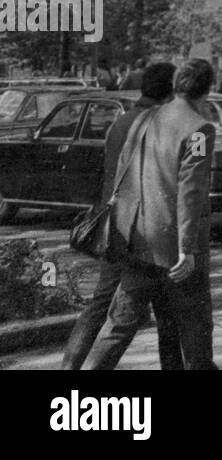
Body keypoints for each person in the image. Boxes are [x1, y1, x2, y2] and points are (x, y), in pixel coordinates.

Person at [86, 59, 218, 371]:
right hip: (176, 245)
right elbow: (191, 192)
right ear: (207, 89)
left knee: (119, 325)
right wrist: (187, 248)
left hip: (137, 237)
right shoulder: (200, 129)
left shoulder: (146, 117)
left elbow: (124, 170)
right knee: (195, 328)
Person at [62, 62, 180, 370]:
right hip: (141, 230)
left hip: (114, 225)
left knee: (101, 304)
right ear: (170, 91)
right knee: (157, 311)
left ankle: (69, 366)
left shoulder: (122, 121)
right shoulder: (156, 124)